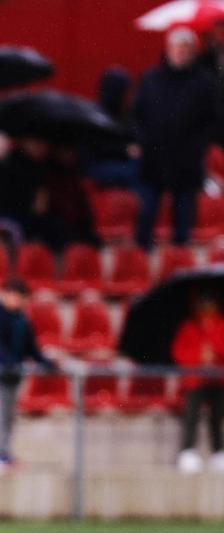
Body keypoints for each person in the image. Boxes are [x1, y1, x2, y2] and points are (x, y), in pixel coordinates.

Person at [133, 28, 218, 251]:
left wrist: (200, 144)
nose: (181, 53)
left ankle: (180, 255)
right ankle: (142, 253)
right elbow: (137, 114)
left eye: (186, 48)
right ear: (168, 50)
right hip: (154, 154)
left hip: (187, 157)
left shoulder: (204, 82)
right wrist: (141, 141)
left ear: (193, 52)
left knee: (184, 210)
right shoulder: (151, 79)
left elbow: (213, 119)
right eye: (177, 48)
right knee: (148, 207)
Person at [0, 278, 56, 475]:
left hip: (14, 376)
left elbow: (31, 347)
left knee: (8, 417)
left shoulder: (22, 319)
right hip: (0, 374)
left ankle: (4, 454)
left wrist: (45, 361)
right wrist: (7, 362)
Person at [172, 294, 224, 474]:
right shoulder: (189, 327)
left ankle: (218, 452)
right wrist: (198, 357)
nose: (207, 307)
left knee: (217, 417)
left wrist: (215, 351)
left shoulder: (221, 325)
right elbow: (179, 353)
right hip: (195, 380)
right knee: (191, 417)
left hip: (217, 379)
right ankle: (187, 451)